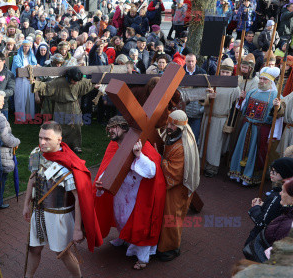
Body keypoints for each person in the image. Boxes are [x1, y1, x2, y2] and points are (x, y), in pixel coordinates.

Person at [22, 122, 102, 278]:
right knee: (34, 248)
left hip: (59, 216)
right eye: (40, 138)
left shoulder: (68, 165)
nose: (42, 142)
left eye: (47, 139)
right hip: (38, 212)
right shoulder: (36, 154)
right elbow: (32, 179)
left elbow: (79, 198)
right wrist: (26, 205)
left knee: (63, 252)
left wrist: (78, 228)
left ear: (59, 139)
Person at [94, 116, 166, 269]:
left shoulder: (142, 145)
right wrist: (101, 181)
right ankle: (124, 238)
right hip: (120, 192)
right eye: (109, 127)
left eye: (114, 127)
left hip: (138, 192)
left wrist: (139, 155)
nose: (110, 130)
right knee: (121, 217)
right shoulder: (113, 146)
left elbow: (152, 171)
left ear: (125, 128)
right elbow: (107, 167)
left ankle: (142, 257)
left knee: (140, 224)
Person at [157, 110, 200, 261]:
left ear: (180, 127)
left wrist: (160, 159)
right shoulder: (170, 135)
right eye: (168, 123)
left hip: (178, 187)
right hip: (171, 185)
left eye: (172, 125)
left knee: (172, 217)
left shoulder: (183, 146)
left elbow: (175, 173)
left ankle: (170, 248)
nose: (168, 127)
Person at [229, 67, 280, 186]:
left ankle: (249, 176)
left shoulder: (276, 97)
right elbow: (242, 108)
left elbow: (278, 118)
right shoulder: (252, 92)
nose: (261, 81)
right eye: (260, 78)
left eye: (264, 79)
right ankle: (237, 174)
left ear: (271, 81)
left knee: (255, 153)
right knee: (240, 149)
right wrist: (241, 99)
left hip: (260, 130)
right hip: (246, 127)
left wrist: (277, 107)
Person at [32, 67, 95, 154]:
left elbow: (87, 83)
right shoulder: (59, 82)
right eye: (74, 81)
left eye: (77, 81)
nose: (76, 83)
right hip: (60, 107)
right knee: (60, 127)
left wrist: (96, 83)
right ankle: (59, 145)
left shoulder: (78, 80)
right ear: (69, 77)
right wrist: (35, 84)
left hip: (74, 107)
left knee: (76, 126)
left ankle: (76, 145)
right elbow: (47, 87)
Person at [198, 59, 240, 177]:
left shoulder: (235, 88)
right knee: (204, 141)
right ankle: (202, 164)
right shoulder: (213, 82)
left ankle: (212, 168)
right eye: (223, 72)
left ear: (231, 73)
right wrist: (208, 96)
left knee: (214, 144)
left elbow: (235, 107)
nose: (225, 75)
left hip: (220, 119)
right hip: (208, 117)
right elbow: (202, 100)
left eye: (227, 73)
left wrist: (230, 124)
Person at [244, 158, 293, 246]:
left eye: (274, 171)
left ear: (284, 174)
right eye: (271, 170)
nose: (271, 173)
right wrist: (264, 205)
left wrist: (255, 207)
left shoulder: (277, 196)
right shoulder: (279, 194)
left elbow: (262, 222)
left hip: (261, 242)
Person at [11, 40, 37, 122]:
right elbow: (18, 66)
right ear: (22, 47)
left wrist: (31, 67)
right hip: (20, 79)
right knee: (20, 98)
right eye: (25, 46)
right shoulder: (17, 56)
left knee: (29, 97)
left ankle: (29, 116)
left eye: (28, 46)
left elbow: (35, 64)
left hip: (29, 80)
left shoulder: (32, 56)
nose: (26, 48)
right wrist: (28, 67)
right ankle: (20, 117)